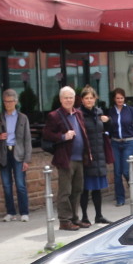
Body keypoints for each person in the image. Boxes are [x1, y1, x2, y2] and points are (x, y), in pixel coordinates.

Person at [41, 86, 84, 231]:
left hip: (79, 158)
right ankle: (64, 220)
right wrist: (63, 137)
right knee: (65, 191)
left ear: (74, 99)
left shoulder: (78, 113)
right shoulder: (55, 116)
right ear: (60, 99)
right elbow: (47, 135)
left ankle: (74, 218)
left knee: (77, 189)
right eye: (65, 97)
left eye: (70, 97)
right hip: (66, 158)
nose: (68, 100)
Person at [0, 89, 31, 222]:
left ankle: (24, 212)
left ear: (16, 102)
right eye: (6, 102)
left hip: (18, 153)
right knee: (6, 184)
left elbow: (27, 139)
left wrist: (27, 159)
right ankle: (10, 212)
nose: (8, 104)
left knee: (20, 184)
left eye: (10, 101)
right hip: (4, 153)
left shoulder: (23, 118)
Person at [77, 86, 113, 226]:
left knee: (97, 188)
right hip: (87, 155)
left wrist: (108, 121)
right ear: (82, 100)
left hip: (99, 154)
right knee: (85, 188)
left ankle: (99, 215)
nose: (89, 100)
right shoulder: (79, 114)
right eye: (86, 98)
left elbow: (109, 129)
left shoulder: (99, 112)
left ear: (95, 99)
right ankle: (85, 217)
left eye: (91, 98)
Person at [108, 87, 133, 206]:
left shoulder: (130, 110)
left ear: (124, 98)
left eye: (121, 98)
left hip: (129, 142)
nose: (120, 100)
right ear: (114, 99)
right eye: (117, 98)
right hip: (115, 143)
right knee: (117, 172)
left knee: (126, 171)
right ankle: (120, 198)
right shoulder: (111, 111)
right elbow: (109, 128)